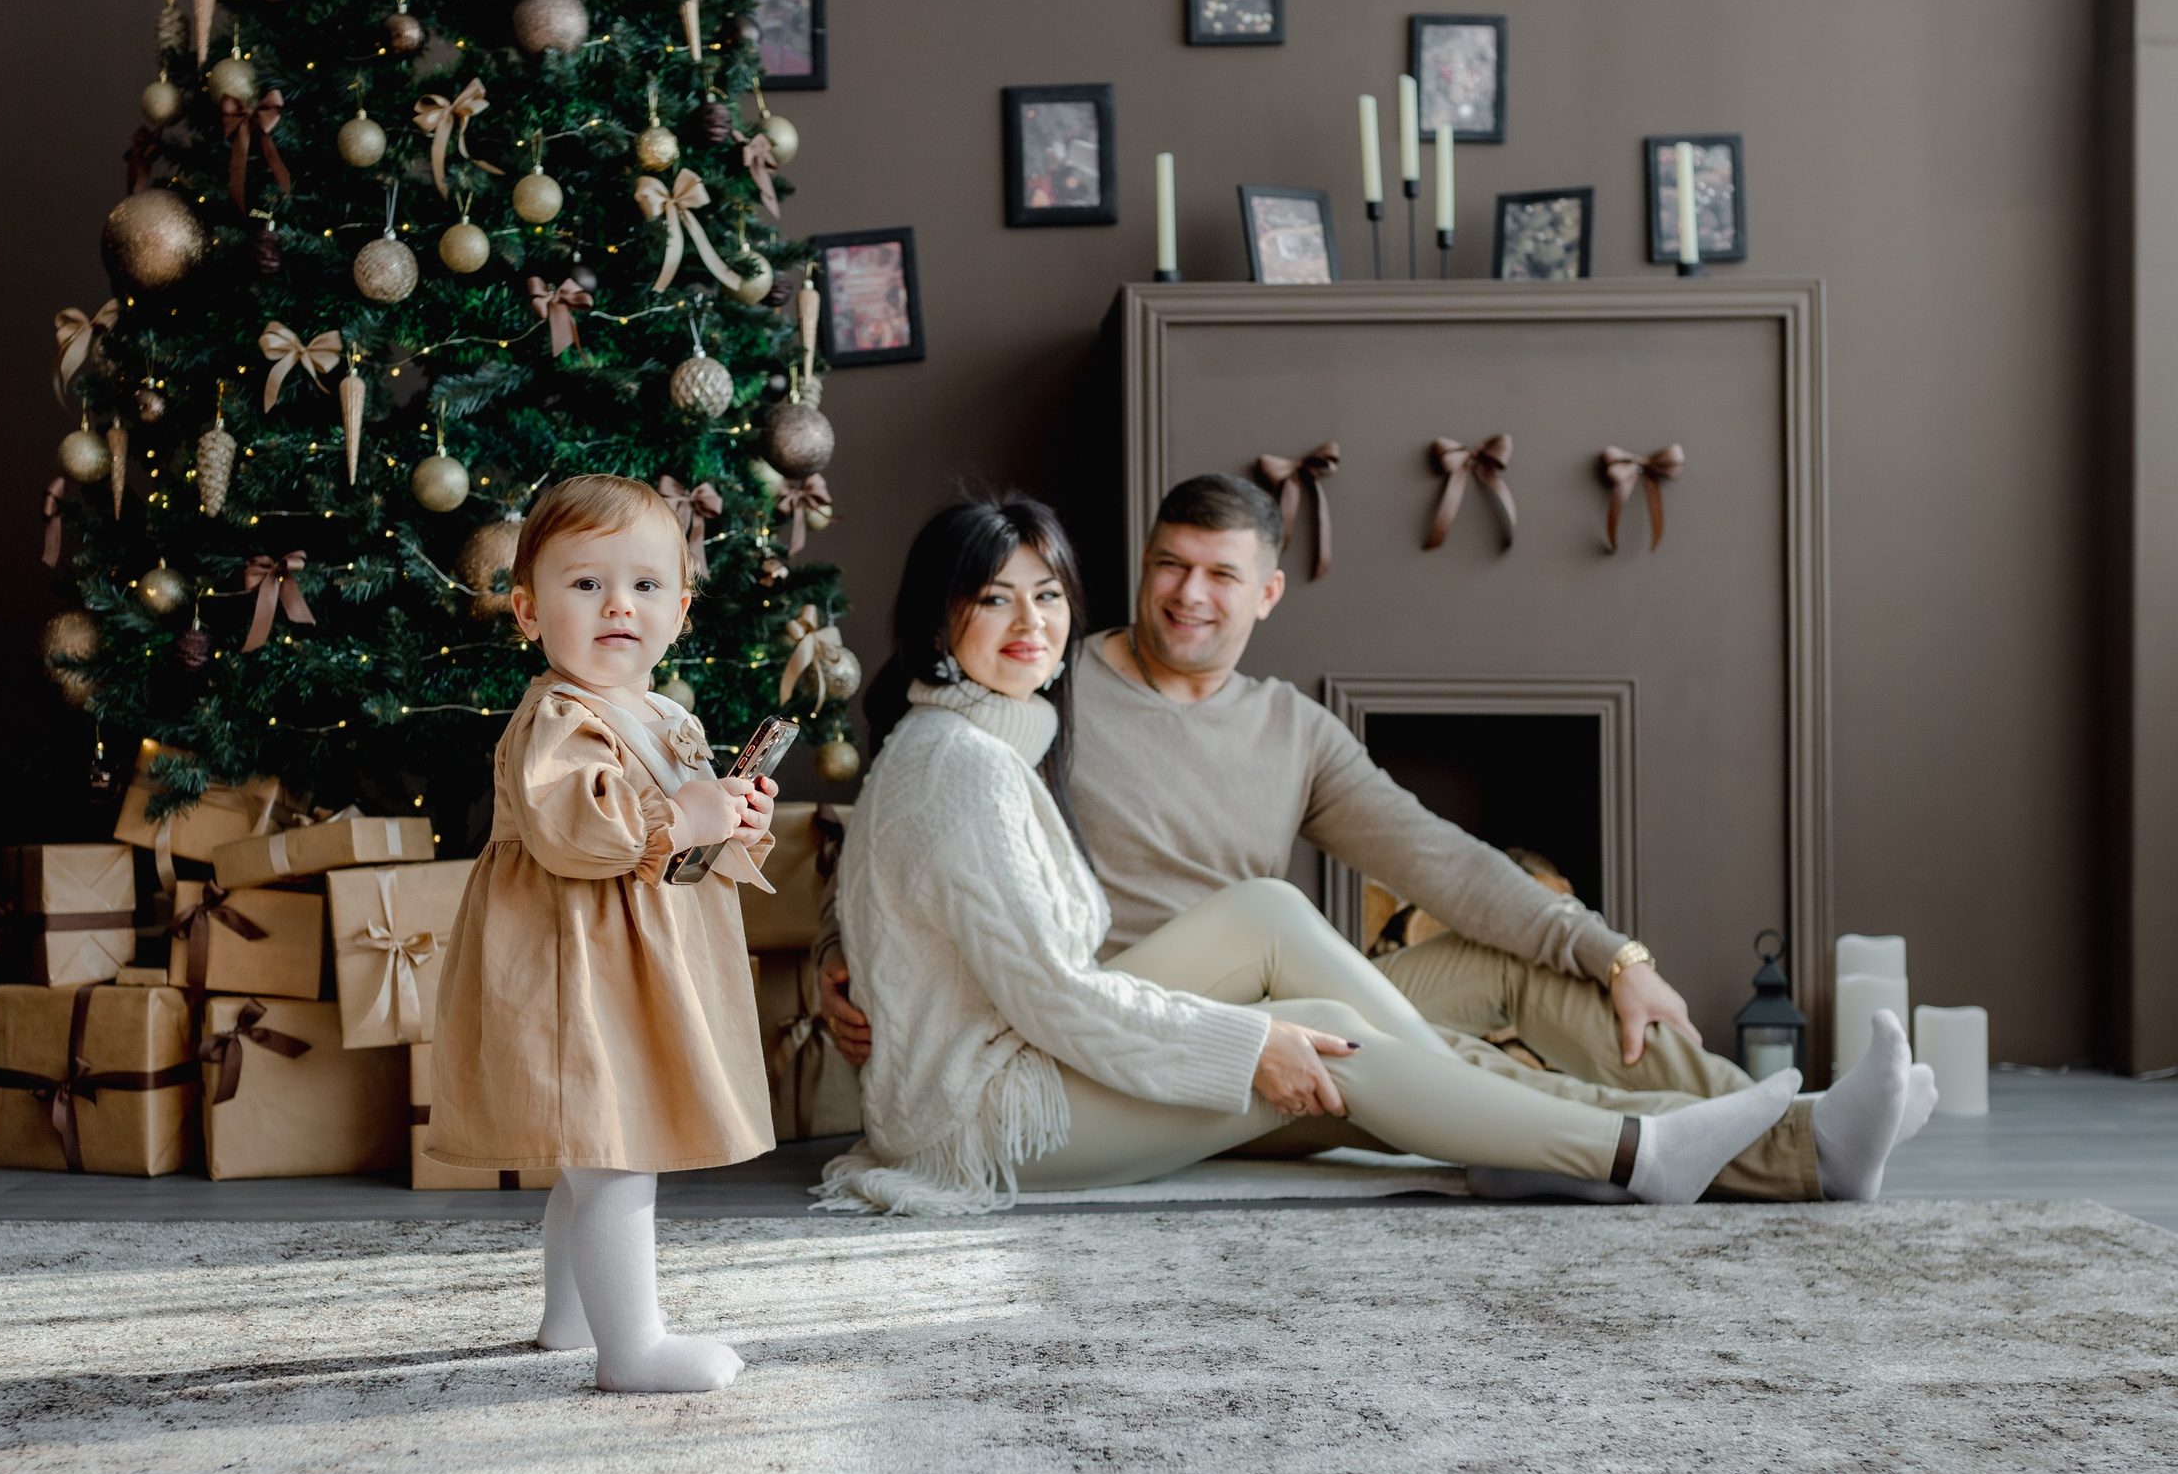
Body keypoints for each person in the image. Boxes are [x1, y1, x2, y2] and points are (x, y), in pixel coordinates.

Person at [820, 473, 1928, 1203]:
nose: (1188, 596)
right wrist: (854, 967)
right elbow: (922, 863)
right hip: (1107, 1040)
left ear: (1267, 592)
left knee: (1495, 964)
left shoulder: (1273, 727)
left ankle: (1776, 1118)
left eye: (1220, 575)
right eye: (1169, 565)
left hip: (1203, 1007)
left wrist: (1614, 951)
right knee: (1343, 1016)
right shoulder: (1042, 701)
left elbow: (1441, 860)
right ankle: (1751, 1149)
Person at [425, 475, 778, 1392]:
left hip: (635, 962)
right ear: (528, 610)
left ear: (680, 612)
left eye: (646, 585)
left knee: (593, 1155)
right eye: (586, 584)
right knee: (616, 1156)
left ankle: (570, 1317)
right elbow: (576, 830)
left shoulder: (667, 716)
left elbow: (680, 841)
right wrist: (681, 815)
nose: (619, 604)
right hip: (573, 965)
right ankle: (634, 1348)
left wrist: (733, 818)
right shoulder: (557, 718)